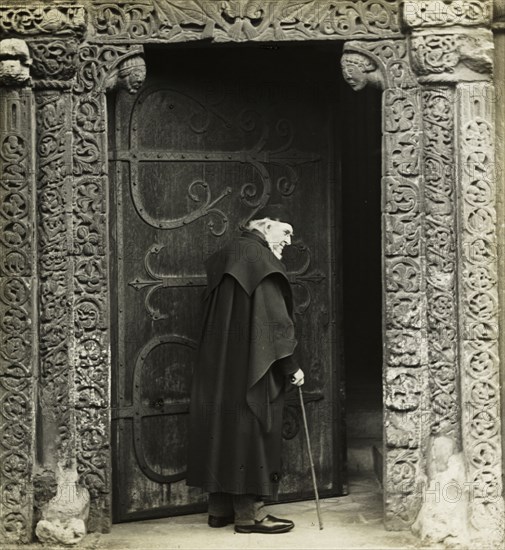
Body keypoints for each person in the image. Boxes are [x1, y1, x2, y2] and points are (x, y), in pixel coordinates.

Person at [186, 204, 304, 534]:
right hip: (252, 364)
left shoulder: (228, 254)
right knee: (252, 430)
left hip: (221, 365)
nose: (290, 241)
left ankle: (219, 509)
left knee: (223, 429)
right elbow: (273, 323)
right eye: (286, 232)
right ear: (265, 228)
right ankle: (250, 515)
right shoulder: (260, 260)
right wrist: (290, 366)